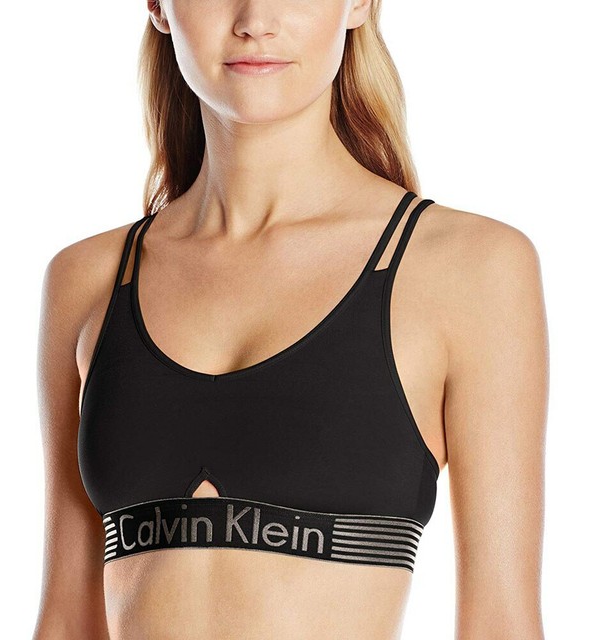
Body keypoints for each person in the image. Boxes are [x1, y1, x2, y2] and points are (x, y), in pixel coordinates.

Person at [32, 1, 548, 638]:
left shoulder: (469, 268)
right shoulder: (88, 278)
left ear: (358, 3)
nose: (255, 18)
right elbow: (65, 620)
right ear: (159, 6)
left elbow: (501, 623)